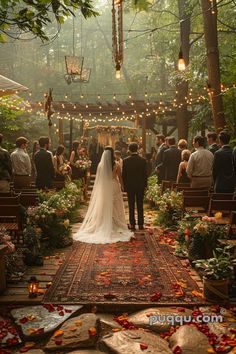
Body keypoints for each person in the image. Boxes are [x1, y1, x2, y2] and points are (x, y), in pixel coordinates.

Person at [73, 146, 132, 244]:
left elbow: (99, 179)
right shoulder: (116, 164)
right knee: (116, 205)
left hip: (104, 187)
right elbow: (120, 177)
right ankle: (115, 224)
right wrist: (122, 186)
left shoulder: (100, 165)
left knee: (104, 204)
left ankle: (104, 222)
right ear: (112, 153)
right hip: (114, 186)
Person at [122, 142, 147, 231]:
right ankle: (141, 224)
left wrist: (124, 186)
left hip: (130, 185)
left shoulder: (125, 161)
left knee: (131, 204)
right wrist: (145, 185)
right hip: (140, 185)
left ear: (129, 149)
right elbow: (145, 174)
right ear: (137, 149)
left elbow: (123, 175)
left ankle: (132, 223)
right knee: (140, 204)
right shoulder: (143, 160)